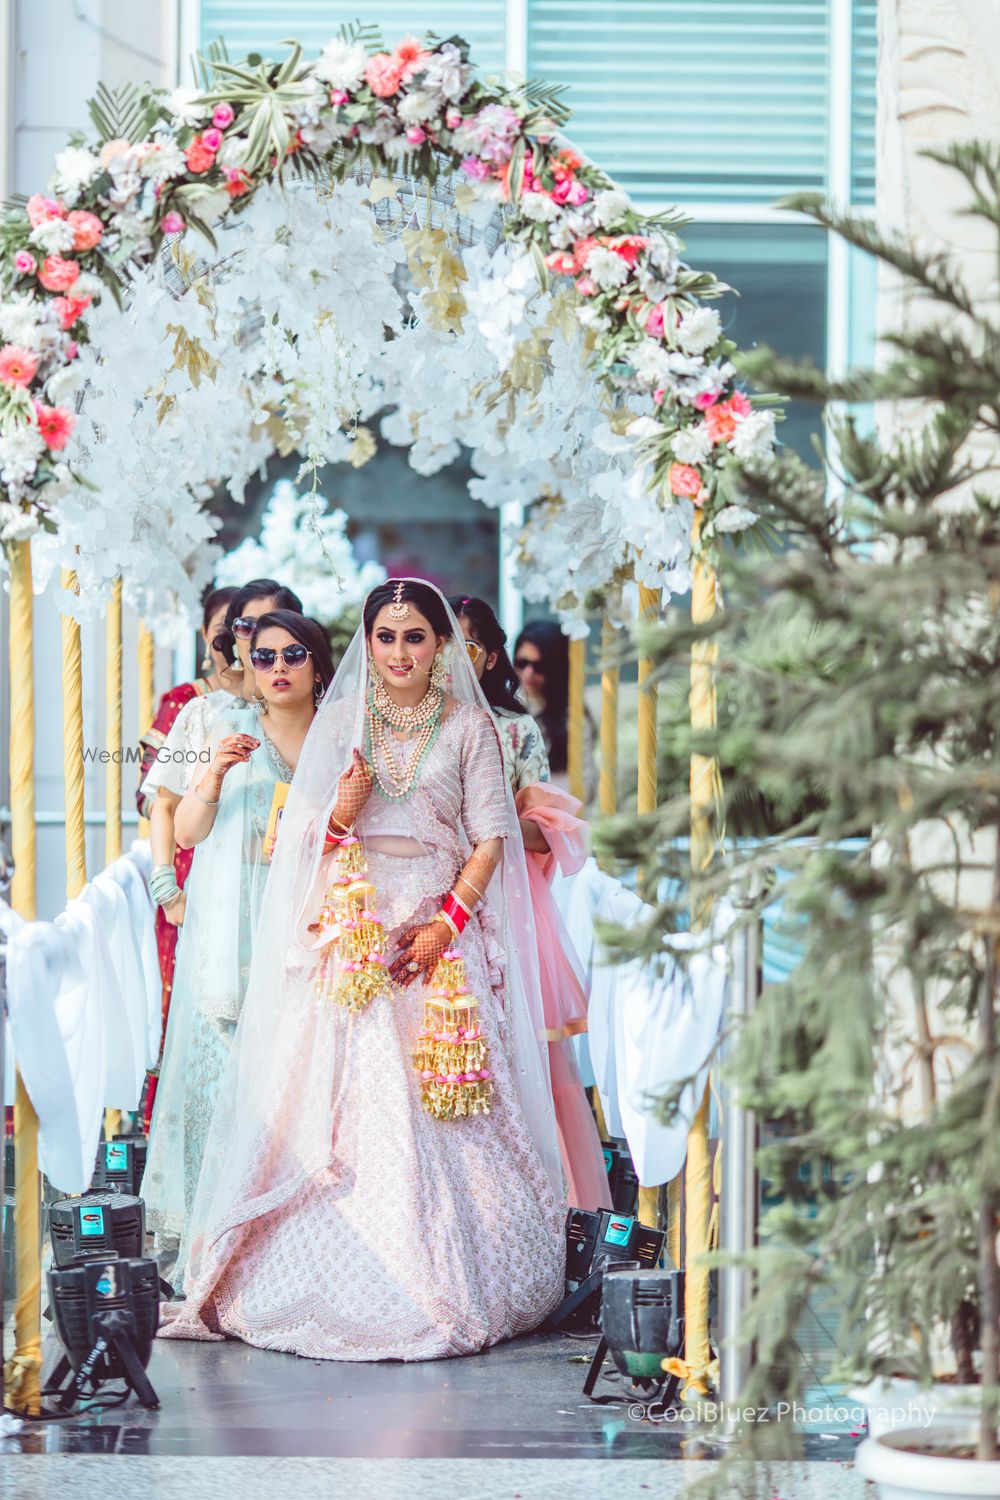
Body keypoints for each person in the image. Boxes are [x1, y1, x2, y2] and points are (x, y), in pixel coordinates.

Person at [159, 579, 565, 1360]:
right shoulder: (341, 722)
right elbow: (295, 838)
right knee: (347, 1103)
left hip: (438, 944)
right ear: (367, 644)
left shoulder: (469, 729)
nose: (401, 653)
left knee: (443, 1111)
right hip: (352, 931)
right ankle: (347, 1266)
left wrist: (446, 925)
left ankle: (453, 1273)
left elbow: (491, 838)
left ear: (441, 646)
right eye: (387, 637)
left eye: (416, 637)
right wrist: (341, 814)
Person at [140, 586, 318, 1288]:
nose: (271, 658)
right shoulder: (209, 716)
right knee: (217, 1086)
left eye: (290, 650)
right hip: (223, 926)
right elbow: (177, 823)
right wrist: (213, 772)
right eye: (256, 641)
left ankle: (281, 1248)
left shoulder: (335, 727)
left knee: (291, 1085)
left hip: (303, 924)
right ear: (235, 642)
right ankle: (209, 1251)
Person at [453, 597, 611, 1212]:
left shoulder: (514, 729)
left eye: (466, 650)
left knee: (514, 1052)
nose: (451, 665)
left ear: (489, 657)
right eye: (441, 649)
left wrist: (488, 830)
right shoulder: (406, 724)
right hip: (423, 904)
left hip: (498, 904)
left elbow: (549, 830)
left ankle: (533, 1207)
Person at [137, 586, 237, 1130]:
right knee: (185, 998)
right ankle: (175, 1123)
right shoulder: (191, 706)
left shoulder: (295, 712)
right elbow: (153, 797)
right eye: (232, 631)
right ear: (210, 637)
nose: (245, 647)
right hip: (187, 868)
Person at [513, 620, 597, 804]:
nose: (528, 673)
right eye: (522, 662)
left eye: (540, 666)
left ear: (556, 668)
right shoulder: (503, 707)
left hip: (556, 820)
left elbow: (584, 788)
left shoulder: (574, 718)